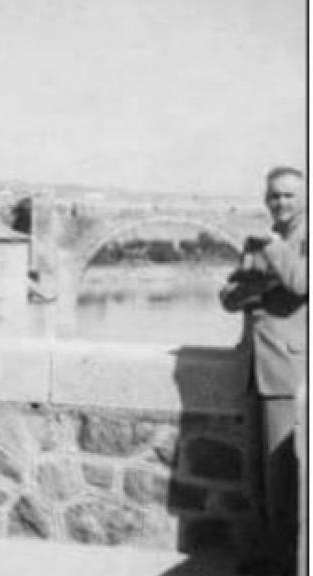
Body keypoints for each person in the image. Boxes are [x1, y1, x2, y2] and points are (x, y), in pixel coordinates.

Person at [220, 166, 307, 576]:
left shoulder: (295, 240)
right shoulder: (255, 241)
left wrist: (273, 251)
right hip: (253, 367)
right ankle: (261, 557)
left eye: (289, 195)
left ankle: (286, 562)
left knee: (283, 478)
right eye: (274, 196)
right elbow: (229, 296)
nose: (281, 203)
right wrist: (252, 289)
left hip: (287, 371)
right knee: (253, 474)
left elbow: (302, 281)